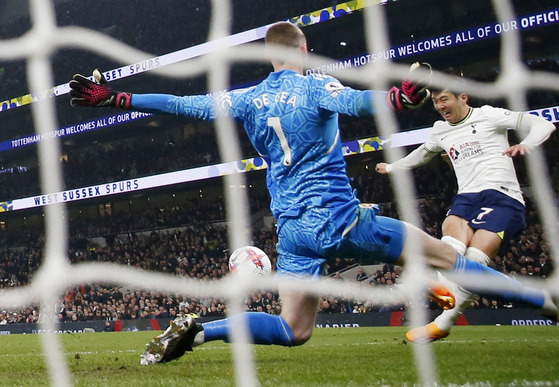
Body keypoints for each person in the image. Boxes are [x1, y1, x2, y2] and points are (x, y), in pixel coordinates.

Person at [69, 22, 556, 363]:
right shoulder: (315, 85)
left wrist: (117, 97)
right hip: (341, 218)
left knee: (293, 331)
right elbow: (360, 101)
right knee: (452, 262)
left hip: (294, 232)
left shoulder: (247, 98)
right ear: (302, 52)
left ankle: (200, 331)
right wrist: (396, 97)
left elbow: (182, 103)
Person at [375, 69, 556, 342]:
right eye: (436, 102)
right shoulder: (440, 131)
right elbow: (421, 154)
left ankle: (443, 321)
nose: (440, 106)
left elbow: (544, 125)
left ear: (463, 97)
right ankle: (440, 288)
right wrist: (392, 167)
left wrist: (527, 144)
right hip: (467, 197)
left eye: (445, 99)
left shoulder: (488, 115)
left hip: (502, 196)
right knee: (450, 236)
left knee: (473, 261)